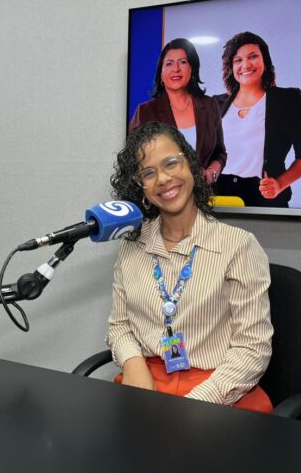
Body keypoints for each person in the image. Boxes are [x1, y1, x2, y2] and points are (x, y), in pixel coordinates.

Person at [106, 121, 273, 413]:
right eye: (148, 173)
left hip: (219, 391)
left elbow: (253, 349)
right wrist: (133, 364)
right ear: (140, 187)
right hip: (147, 382)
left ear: (191, 165)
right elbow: (119, 325)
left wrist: (195, 404)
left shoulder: (238, 246)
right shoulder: (132, 245)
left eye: (171, 163)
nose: (163, 178)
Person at [214, 31, 301, 207]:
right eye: (238, 60)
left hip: (264, 199)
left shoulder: (288, 100)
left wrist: (279, 184)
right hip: (219, 199)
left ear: (265, 60)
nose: (246, 64)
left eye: (253, 56)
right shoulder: (215, 104)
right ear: (231, 67)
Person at [129, 38, 226, 184]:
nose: (176, 69)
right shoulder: (145, 112)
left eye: (183, 62)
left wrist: (212, 170)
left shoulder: (210, 105)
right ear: (161, 74)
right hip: (164, 191)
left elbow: (220, 153)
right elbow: (133, 160)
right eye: (169, 63)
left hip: (204, 193)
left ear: (192, 68)